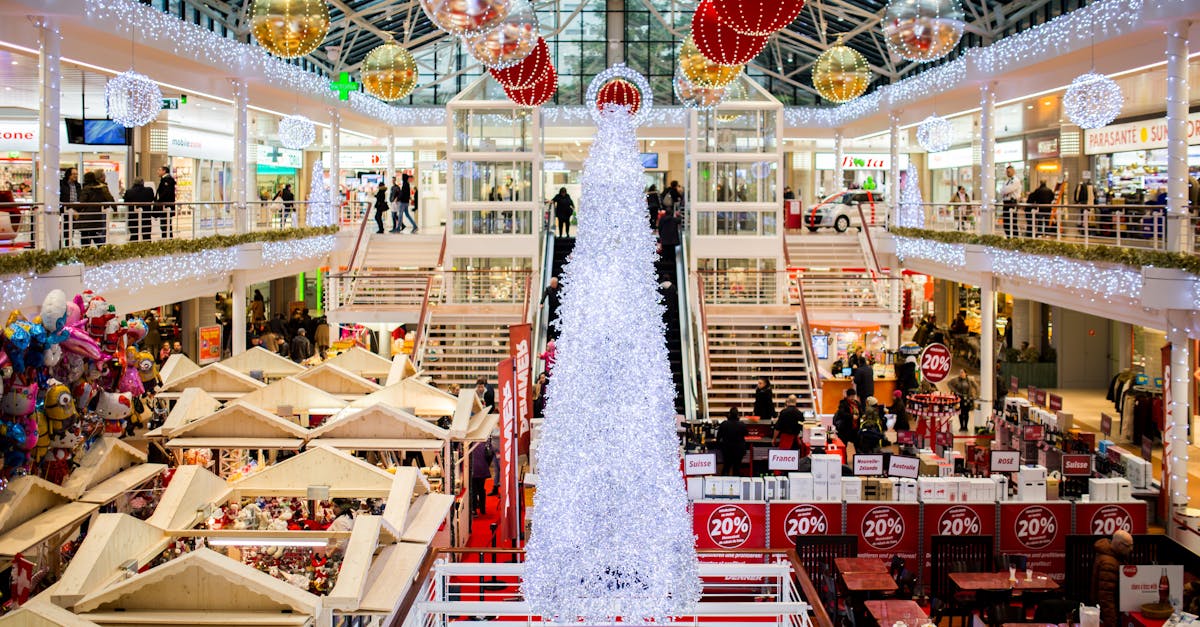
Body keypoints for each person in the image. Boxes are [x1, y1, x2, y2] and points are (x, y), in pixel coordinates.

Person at [1093, 530, 1133, 626]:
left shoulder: (1114, 556)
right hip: (1111, 616)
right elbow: (1106, 599)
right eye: (1128, 546)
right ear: (1119, 545)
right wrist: (1112, 624)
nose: (1131, 549)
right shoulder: (1109, 564)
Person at [78, 170, 113, 246]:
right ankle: (102, 250)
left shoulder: (86, 188)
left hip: (86, 216)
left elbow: (82, 202)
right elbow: (108, 199)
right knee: (94, 234)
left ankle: (85, 252)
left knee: (85, 235)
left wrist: (76, 210)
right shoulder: (101, 188)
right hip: (97, 215)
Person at [716, 407, 748, 476]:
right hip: (739, 450)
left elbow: (718, 437)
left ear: (729, 415)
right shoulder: (741, 424)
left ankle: (724, 483)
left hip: (727, 450)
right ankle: (736, 483)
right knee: (737, 468)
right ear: (738, 415)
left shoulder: (724, 424)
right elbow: (746, 433)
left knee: (726, 467)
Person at [122, 178, 155, 242]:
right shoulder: (149, 190)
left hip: (133, 217)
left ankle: (134, 249)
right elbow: (152, 199)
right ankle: (148, 249)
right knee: (147, 236)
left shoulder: (129, 191)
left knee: (134, 235)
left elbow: (125, 202)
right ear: (143, 183)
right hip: (146, 216)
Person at [469, 441, 494, 515]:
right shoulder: (485, 442)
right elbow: (490, 455)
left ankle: (474, 510)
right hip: (483, 468)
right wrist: (486, 464)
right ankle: (483, 509)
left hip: (473, 469)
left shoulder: (469, 443)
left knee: (473, 490)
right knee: (481, 489)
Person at [999, 165, 1022, 238]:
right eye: (1007, 172)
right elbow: (1002, 191)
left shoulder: (1016, 180)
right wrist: (1004, 191)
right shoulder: (1006, 181)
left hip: (1012, 203)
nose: (1007, 173)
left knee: (1012, 222)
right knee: (1006, 222)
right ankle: (1008, 237)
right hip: (1006, 203)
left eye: (1009, 171)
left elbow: (1007, 190)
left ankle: (1015, 238)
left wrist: (1005, 190)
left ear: (1013, 171)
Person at [155, 165, 176, 239]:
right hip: (166, 207)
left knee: (165, 224)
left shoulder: (167, 180)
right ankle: (167, 239)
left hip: (165, 206)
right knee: (166, 224)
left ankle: (166, 239)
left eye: (159, 170)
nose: (158, 171)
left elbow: (166, 193)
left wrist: (158, 201)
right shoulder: (167, 180)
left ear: (164, 171)